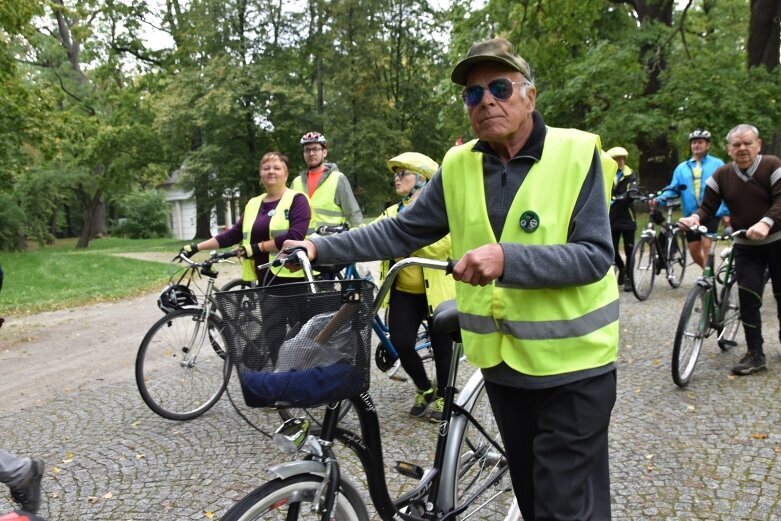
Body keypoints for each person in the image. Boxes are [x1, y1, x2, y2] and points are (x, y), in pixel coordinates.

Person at [284, 38, 619, 520]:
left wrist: (507, 258)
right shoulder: (459, 166)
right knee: (534, 494)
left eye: (499, 87)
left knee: (561, 505)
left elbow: (593, 257)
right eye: (472, 93)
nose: (485, 100)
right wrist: (319, 245)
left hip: (575, 369)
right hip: (506, 368)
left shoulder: (576, 153)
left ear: (530, 95)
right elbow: (401, 230)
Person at [679, 124, 781, 376]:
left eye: (747, 143)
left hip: (777, 240)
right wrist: (695, 218)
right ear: (728, 149)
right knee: (748, 297)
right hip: (745, 245)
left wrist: (765, 222)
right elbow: (707, 207)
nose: (742, 148)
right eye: (736, 145)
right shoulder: (722, 174)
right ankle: (755, 354)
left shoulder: (772, 165)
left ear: (758, 144)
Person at [376, 152, 455, 421]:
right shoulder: (392, 212)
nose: (396, 180)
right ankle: (425, 387)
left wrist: (402, 238)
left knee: (442, 346)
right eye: (395, 175)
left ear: (422, 179)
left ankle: (445, 395)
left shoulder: (442, 211)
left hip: (438, 291)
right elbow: (374, 235)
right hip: (405, 292)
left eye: (403, 174)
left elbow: (441, 247)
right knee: (401, 343)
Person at [180, 152, 311, 285]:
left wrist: (257, 247)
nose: (271, 171)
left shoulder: (297, 199)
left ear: (286, 174)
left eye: (277, 168)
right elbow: (233, 235)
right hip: (263, 277)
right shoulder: (253, 203)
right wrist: (196, 247)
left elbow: (295, 236)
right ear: (260, 174)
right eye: (266, 168)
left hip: (293, 277)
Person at [652, 128, 727, 268]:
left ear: (708, 145)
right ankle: (707, 273)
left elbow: (727, 189)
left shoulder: (718, 164)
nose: (696, 145)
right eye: (693, 143)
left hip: (711, 212)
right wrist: (659, 199)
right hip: (690, 214)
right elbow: (673, 189)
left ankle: (707, 283)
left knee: (706, 245)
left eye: (700, 142)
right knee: (693, 250)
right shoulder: (682, 168)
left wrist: (727, 213)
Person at [291, 132, 363, 230]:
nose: (311, 153)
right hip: (303, 242)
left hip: (330, 241)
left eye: (315, 149)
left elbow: (354, 215)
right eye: (307, 150)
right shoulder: (296, 183)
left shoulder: (338, 178)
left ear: (324, 152)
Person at [607, 146, 638, 292]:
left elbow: (632, 191)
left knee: (629, 249)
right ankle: (622, 268)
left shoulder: (631, 175)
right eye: (617, 159)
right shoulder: (605, 173)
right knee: (611, 249)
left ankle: (629, 279)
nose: (620, 161)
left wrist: (625, 196)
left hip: (627, 218)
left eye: (622, 159)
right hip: (611, 217)